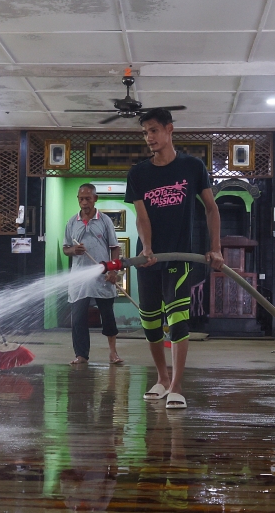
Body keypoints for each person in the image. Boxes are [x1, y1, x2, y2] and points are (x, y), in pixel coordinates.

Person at [124, 108, 223, 410]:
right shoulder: (138, 173)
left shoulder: (192, 167)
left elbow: (210, 208)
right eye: (145, 133)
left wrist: (215, 247)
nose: (149, 137)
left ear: (169, 130)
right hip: (150, 259)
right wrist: (147, 248)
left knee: (177, 320)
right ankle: (162, 378)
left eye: (153, 130)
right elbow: (141, 216)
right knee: (151, 323)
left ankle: (177, 385)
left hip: (181, 257)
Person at [63, 183, 123, 365]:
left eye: (88, 198)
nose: (84, 202)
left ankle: (113, 353)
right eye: (81, 199)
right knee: (79, 319)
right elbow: (65, 249)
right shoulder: (72, 222)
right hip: (79, 280)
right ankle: (81, 355)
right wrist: (74, 249)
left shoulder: (105, 221)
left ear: (95, 198)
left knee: (108, 317)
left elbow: (115, 248)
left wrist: (113, 270)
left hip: (102, 277)